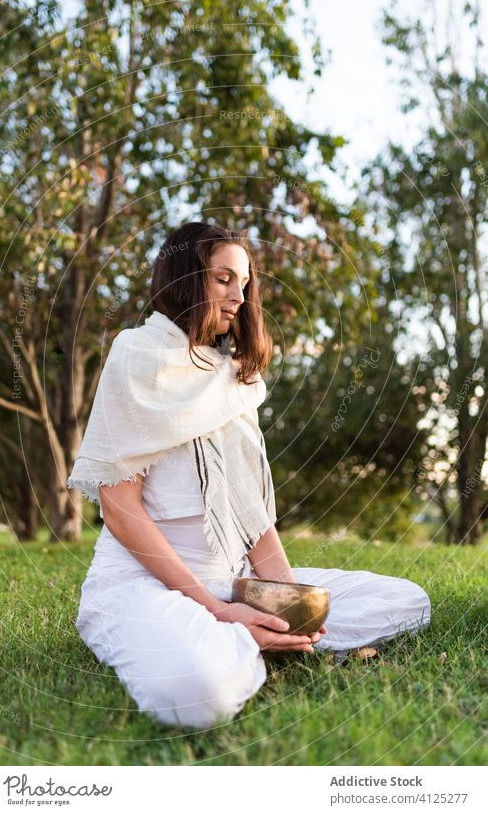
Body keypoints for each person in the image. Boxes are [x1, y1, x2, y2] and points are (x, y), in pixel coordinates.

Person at [67, 221, 431, 731]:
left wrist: (288, 600)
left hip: (235, 581)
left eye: (244, 282)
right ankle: (240, 641)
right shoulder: (137, 355)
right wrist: (214, 611)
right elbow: (121, 511)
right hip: (146, 584)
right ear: (183, 278)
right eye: (222, 279)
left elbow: (249, 509)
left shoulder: (233, 374)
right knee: (199, 694)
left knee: (407, 602)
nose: (239, 295)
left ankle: (260, 635)